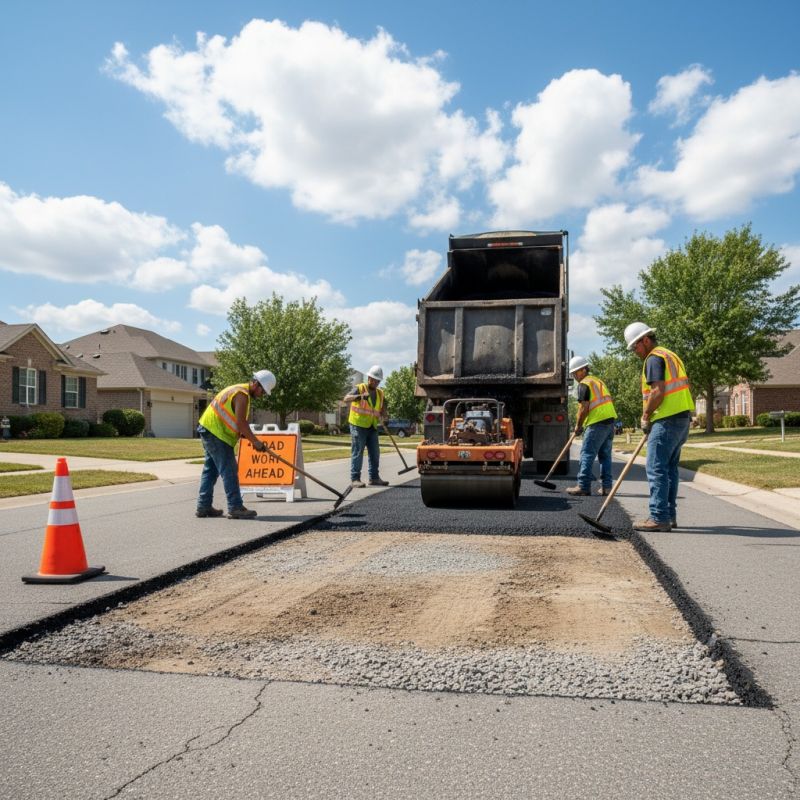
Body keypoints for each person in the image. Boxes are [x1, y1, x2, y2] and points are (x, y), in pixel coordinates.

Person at [625, 322, 695, 532]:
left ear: (645, 340)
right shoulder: (671, 355)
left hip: (666, 420)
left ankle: (658, 517)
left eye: (635, 346)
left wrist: (646, 415)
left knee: (656, 469)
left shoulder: (654, 358)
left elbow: (657, 391)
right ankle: (669, 515)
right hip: (681, 419)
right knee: (669, 470)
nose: (634, 351)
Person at [196, 370, 276, 519]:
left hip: (209, 429)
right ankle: (235, 507)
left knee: (211, 470)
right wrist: (256, 442)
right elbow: (241, 422)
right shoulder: (242, 395)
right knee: (230, 470)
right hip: (216, 433)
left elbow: (236, 422)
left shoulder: (239, 391)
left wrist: (248, 438)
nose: (262, 395)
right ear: (256, 384)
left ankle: (203, 506)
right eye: (263, 391)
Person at [565, 355, 618, 497]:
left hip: (597, 423)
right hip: (609, 422)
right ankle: (607, 487)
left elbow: (584, 408)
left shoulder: (584, 384)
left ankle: (583, 486)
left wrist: (578, 426)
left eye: (575, 373)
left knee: (587, 454)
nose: (575, 376)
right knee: (605, 456)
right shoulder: (598, 381)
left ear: (583, 370)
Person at [344, 365, 389, 488]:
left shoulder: (380, 393)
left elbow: (383, 408)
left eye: (377, 380)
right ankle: (355, 479)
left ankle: (374, 478)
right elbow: (346, 398)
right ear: (368, 377)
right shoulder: (360, 388)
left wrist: (385, 417)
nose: (374, 382)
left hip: (372, 426)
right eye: (373, 379)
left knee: (375, 453)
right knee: (358, 452)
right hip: (358, 425)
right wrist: (360, 397)